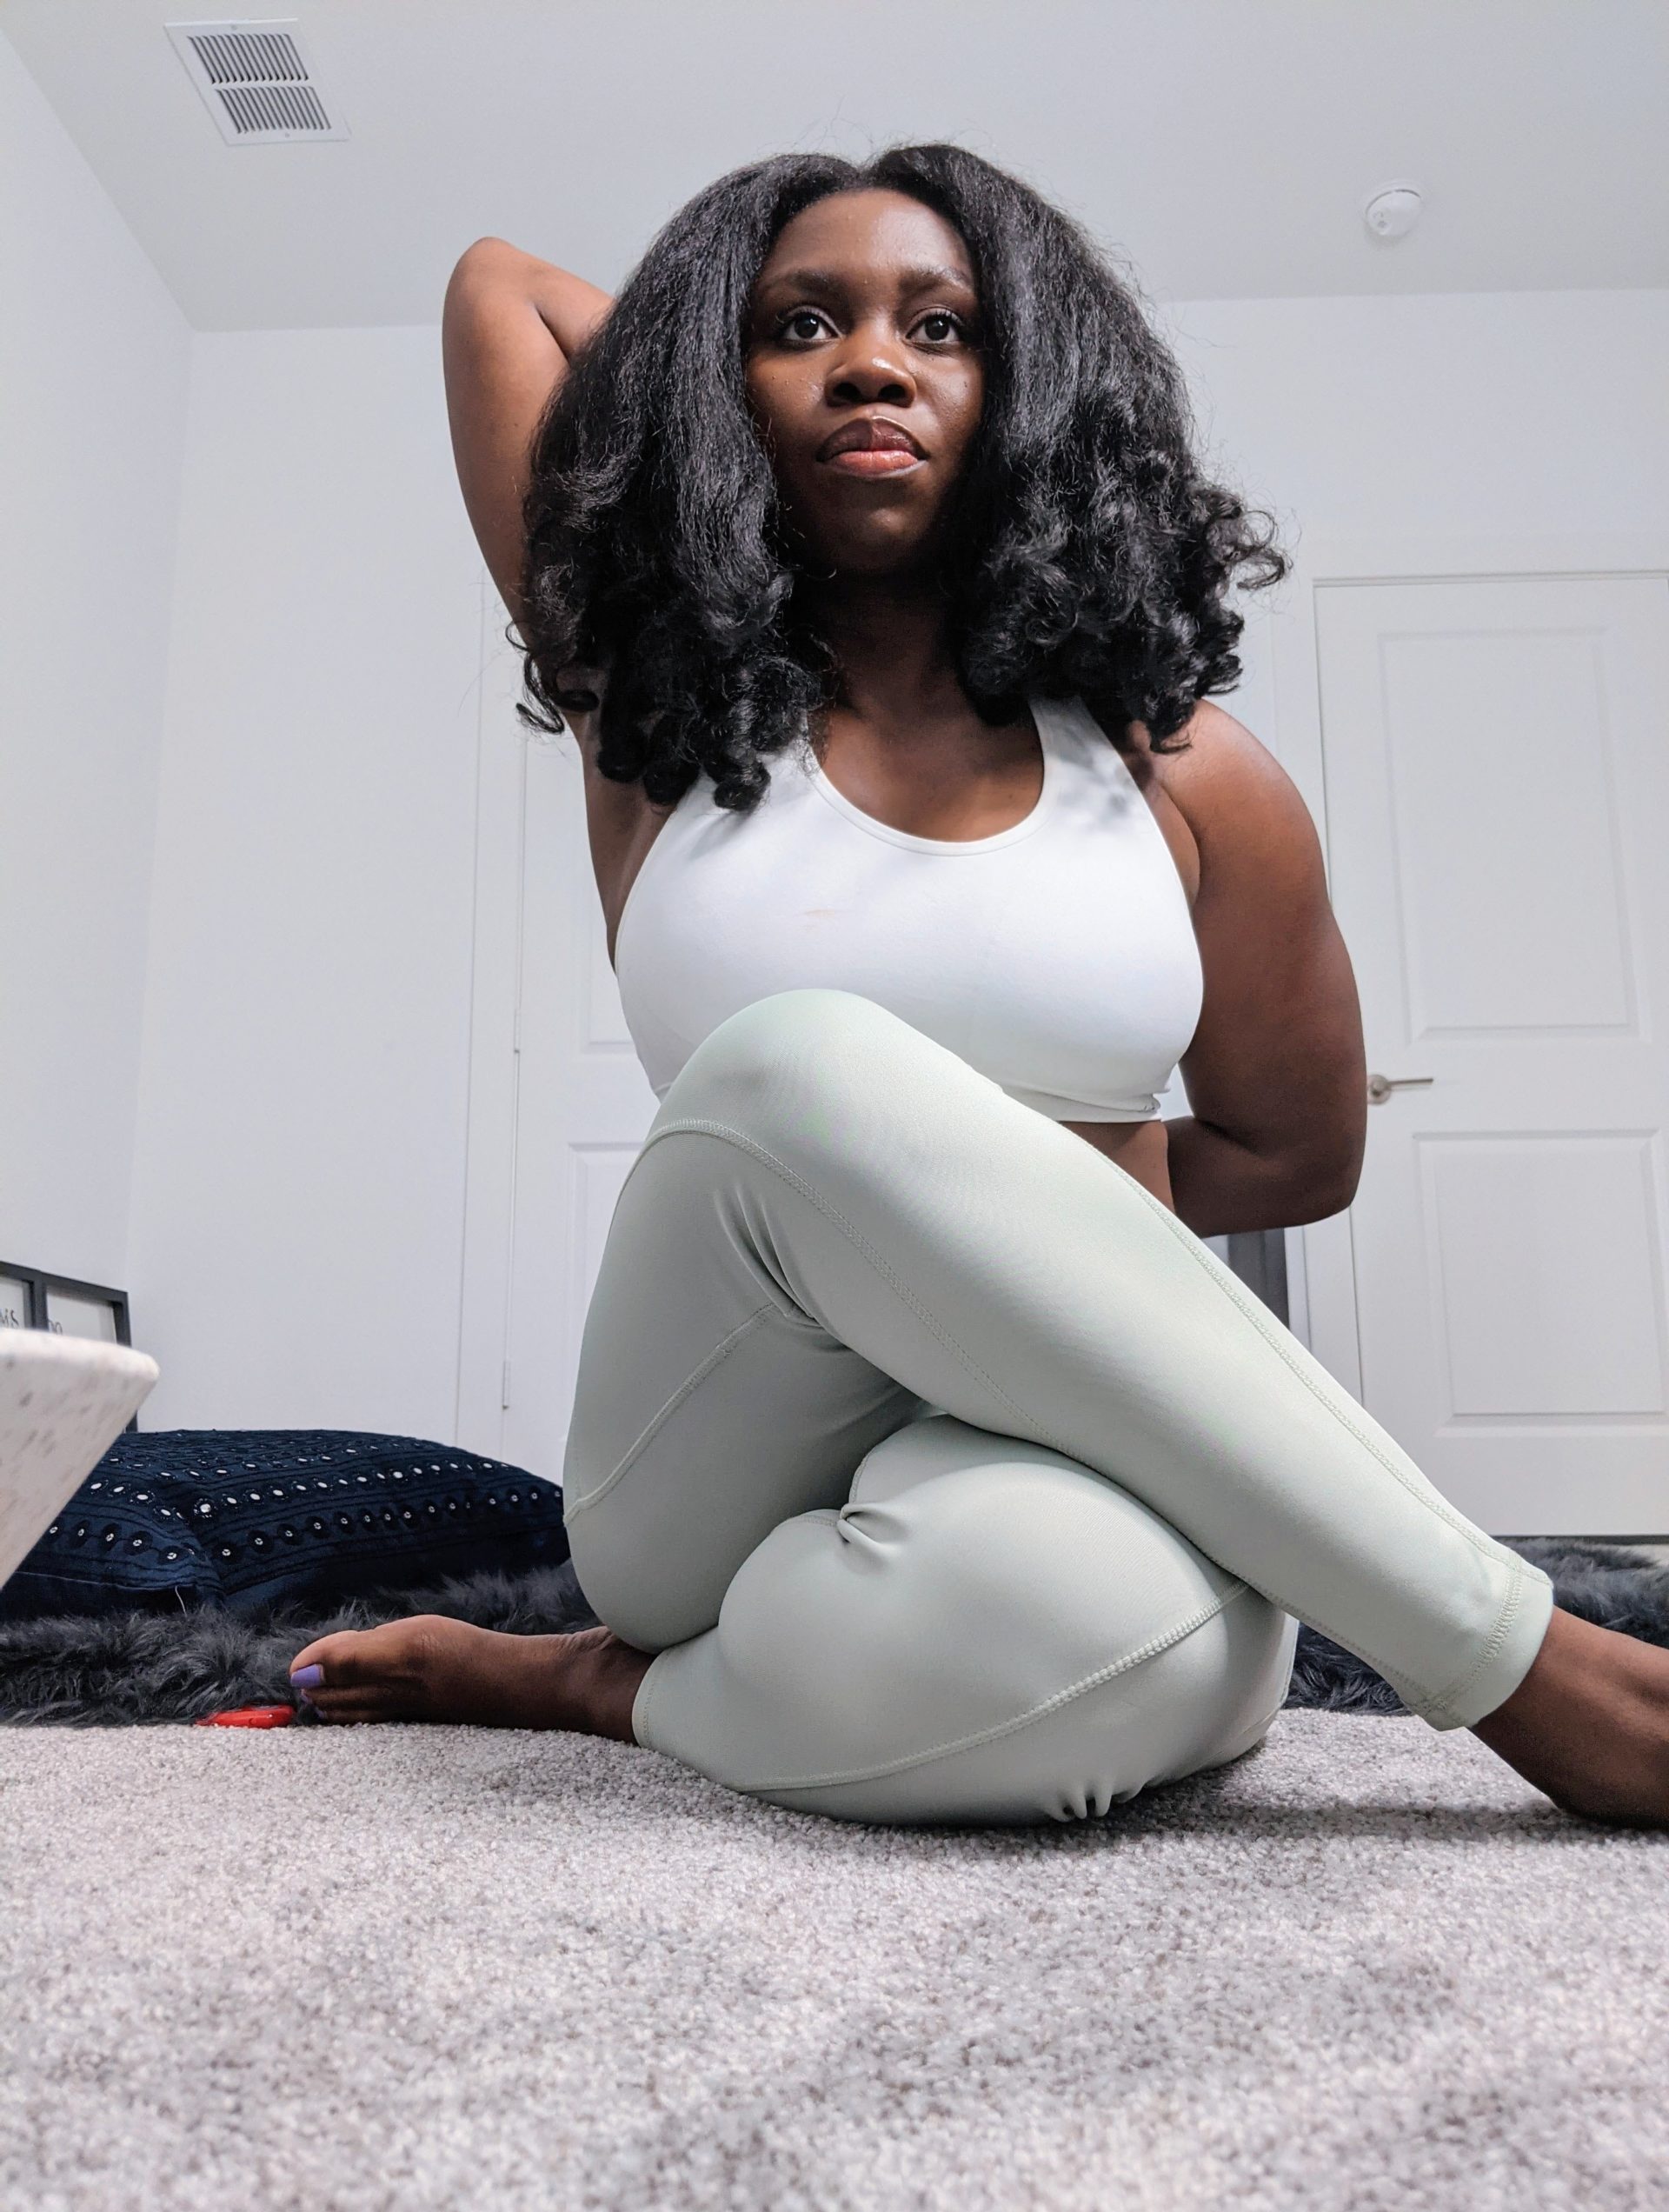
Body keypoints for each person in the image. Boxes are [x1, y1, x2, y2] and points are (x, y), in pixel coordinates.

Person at [288, 143, 1669, 1829]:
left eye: (944, 328)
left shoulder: (1183, 774)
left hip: (1032, 1425)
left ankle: (607, 1683)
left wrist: (1008, 1237)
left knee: (1130, 1645)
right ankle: (1528, 1664)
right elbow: (501, 286)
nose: (872, 360)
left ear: (1034, 395)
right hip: (729, 1424)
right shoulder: (655, 716)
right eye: (803, 324)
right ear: (720, 395)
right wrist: (700, 373)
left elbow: (1299, 1154)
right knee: (802, 1065)